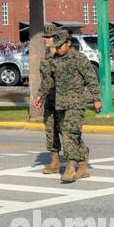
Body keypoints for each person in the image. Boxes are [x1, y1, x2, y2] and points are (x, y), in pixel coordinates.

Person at [33, 26, 100, 183]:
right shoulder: (54, 60)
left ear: (68, 43)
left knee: (70, 134)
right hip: (59, 103)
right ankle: (82, 163)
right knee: (70, 134)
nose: (57, 48)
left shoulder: (79, 58)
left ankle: (71, 168)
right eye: (56, 46)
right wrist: (40, 96)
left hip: (75, 103)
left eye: (59, 45)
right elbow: (48, 81)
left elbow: (91, 78)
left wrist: (96, 98)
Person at [35, 25, 61, 174]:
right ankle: (54, 161)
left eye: (48, 37)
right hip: (50, 100)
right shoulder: (45, 59)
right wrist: (40, 97)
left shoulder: (64, 57)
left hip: (64, 101)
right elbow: (45, 81)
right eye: (45, 37)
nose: (46, 40)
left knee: (67, 132)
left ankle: (81, 158)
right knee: (50, 131)